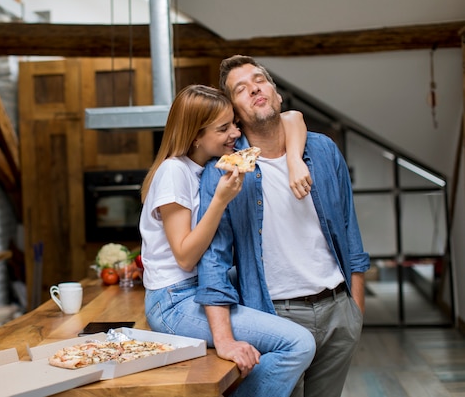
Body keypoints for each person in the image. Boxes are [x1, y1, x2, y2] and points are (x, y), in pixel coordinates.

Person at [195, 55, 370, 397]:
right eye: (241, 89)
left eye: (259, 80)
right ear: (234, 112)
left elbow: (350, 232)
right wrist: (225, 338)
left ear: (276, 94)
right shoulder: (225, 171)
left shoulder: (322, 151)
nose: (254, 89)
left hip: (339, 310)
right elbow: (212, 261)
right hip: (275, 317)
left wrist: (356, 312)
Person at [139, 84, 316, 397]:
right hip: (174, 301)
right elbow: (185, 257)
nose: (235, 132)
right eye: (224, 128)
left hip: (192, 290)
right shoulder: (173, 172)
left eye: (234, 123)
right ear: (195, 135)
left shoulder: (206, 168)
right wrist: (221, 200)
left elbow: (292, 117)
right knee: (298, 344)